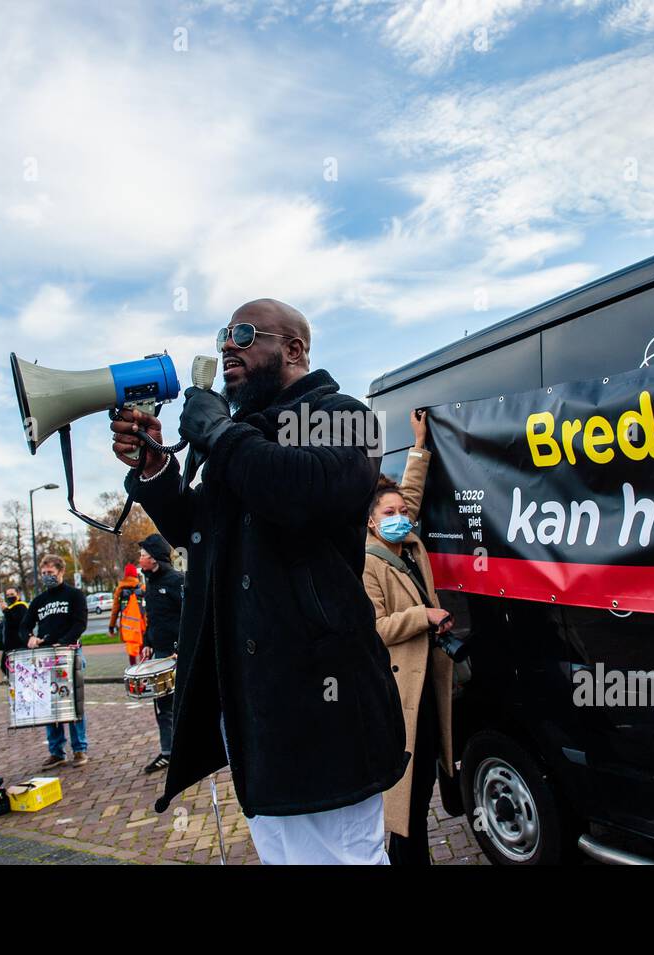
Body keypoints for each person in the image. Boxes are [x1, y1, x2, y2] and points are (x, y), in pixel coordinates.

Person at [111, 297, 406, 865]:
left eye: (245, 334)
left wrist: (219, 435)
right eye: (224, 333)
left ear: (292, 349)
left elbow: (299, 490)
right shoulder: (244, 438)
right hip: (259, 712)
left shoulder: (340, 414)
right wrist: (156, 469)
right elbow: (201, 530)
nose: (228, 345)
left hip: (324, 708)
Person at [362, 409, 455, 865]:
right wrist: (423, 615)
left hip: (428, 683)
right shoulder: (369, 563)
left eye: (403, 512)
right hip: (401, 696)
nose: (401, 516)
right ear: (371, 523)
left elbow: (410, 492)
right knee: (408, 802)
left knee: (426, 786)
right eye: (390, 513)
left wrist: (419, 444)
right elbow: (375, 629)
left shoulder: (406, 539)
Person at [23, 554, 90, 768]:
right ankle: (56, 751)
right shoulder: (39, 601)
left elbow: (80, 624)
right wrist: (30, 637)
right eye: (43, 574)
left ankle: (79, 749)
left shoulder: (74, 595)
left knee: (73, 703)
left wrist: (62, 642)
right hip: (44, 659)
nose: (47, 577)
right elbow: (24, 626)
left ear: (61, 572)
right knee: (49, 706)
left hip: (69, 654)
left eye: (50, 573)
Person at [134, 535, 183, 774]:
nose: (140, 558)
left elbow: (190, 618)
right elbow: (152, 620)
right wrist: (147, 643)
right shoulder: (150, 584)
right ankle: (168, 753)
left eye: (143, 554)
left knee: (184, 705)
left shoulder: (177, 581)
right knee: (162, 706)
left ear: (154, 559)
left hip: (177, 655)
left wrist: (179, 649)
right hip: (160, 654)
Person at [108, 563, 146, 666]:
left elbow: (115, 610)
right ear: (135, 575)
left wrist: (111, 626)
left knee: (131, 654)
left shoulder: (120, 590)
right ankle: (144, 674)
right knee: (143, 651)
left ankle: (133, 677)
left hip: (127, 628)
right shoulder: (142, 588)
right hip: (141, 626)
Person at [0, 585, 29, 679]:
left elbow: (16, 622)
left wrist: (5, 610)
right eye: (8, 595)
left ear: (18, 595)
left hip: (17, 644)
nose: (10, 597)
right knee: (4, 666)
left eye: (12, 594)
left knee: (13, 667)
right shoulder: (10, 607)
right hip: (8, 645)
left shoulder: (21, 606)